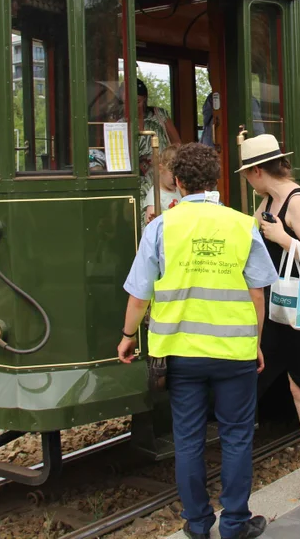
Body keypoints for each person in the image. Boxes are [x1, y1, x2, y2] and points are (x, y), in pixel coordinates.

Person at [118, 143, 277, 539]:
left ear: (179, 181)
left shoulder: (160, 227)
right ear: (216, 180)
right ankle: (236, 523)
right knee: (237, 436)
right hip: (234, 352)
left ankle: (198, 523)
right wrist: (256, 342)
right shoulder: (242, 225)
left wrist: (127, 337)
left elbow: (140, 295)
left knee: (187, 439)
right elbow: (258, 293)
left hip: (180, 352)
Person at [238, 134, 300, 501]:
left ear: (259, 170)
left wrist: (282, 238)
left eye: (247, 173)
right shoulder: (267, 200)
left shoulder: (298, 202)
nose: (247, 179)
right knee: (260, 373)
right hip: (278, 302)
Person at [137, 77, 181, 212]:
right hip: (139, 177)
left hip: (163, 170)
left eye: (138, 101)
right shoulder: (122, 121)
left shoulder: (159, 115)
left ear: (145, 99)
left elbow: (177, 142)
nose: (135, 105)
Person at [143, 145, 182, 224]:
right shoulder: (155, 194)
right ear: (160, 169)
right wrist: (152, 218)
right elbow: (151, 219)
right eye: (173, 174)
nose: (176, 179)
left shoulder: (179, 190)